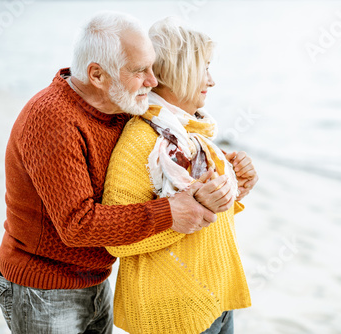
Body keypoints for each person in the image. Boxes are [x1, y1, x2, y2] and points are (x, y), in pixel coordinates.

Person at [0, 12, 227, 334]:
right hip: (43, 288)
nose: (153, 81)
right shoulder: (52, 120)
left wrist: (227, 163)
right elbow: (77, 225)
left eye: (152, 67)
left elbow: (167, 137)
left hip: (96, 278)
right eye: (139, 71)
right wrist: (169, 213)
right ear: (97, 75)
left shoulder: (121, 105)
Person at [103, 17, 258, 334]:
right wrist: (193, 208)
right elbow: (115, 240)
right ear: (177, 73)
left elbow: (207, 212)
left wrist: (236, 189)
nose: (212, 80)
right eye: (205, 68)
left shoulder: (191, 134)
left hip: (216, 301)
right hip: (172, 314)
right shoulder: (141, 140)